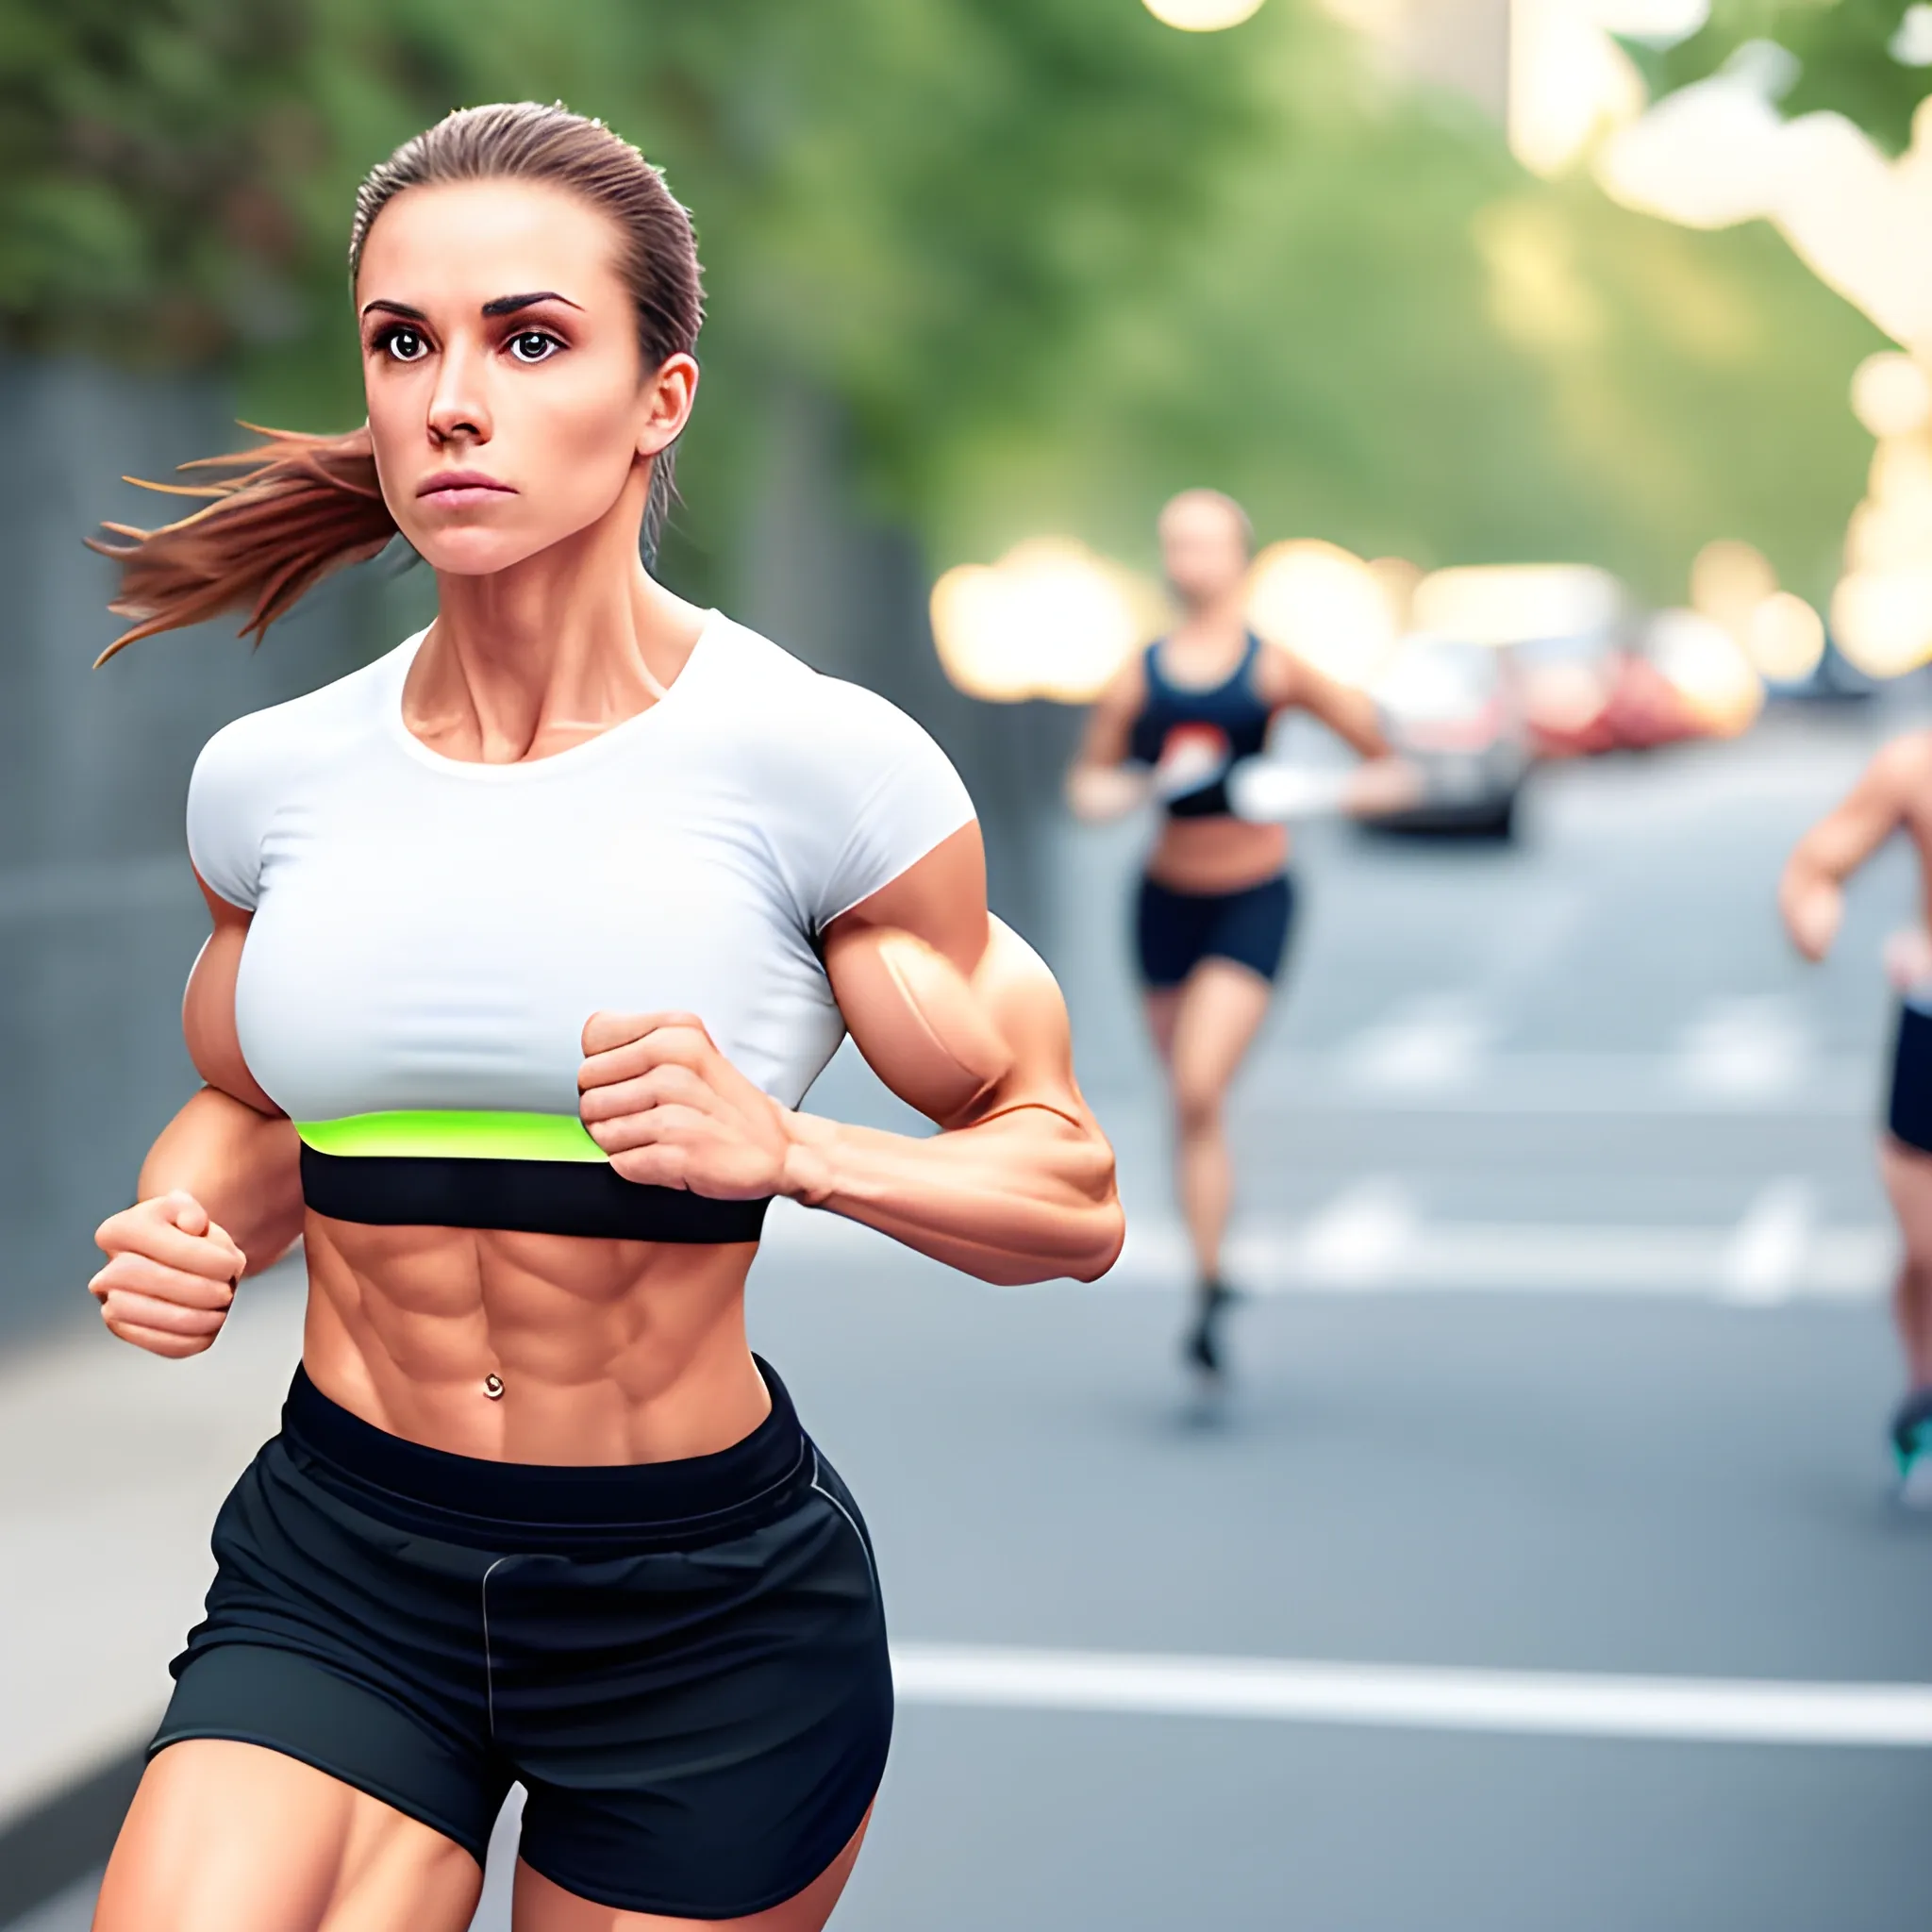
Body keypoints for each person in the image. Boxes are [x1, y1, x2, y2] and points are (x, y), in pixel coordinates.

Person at [83, 102, 1123, 1932]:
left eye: (529, 337)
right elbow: (247, 1112)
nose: (449, 398)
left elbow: (1069, 1197)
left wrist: (790, 1145)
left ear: (662, 397)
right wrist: (188, 1227)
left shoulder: (817, 771)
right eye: (405, 342)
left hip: (700, 1613)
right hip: (345, 1560)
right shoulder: (274, 781)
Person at [1065, 490, 1400, 1377]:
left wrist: (1305, 794)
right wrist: (1149, 785)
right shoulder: (1140, 677)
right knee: (1184, 1102)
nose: (1192, 561)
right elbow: (1088, 790)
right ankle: (1211, 1280)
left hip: (1253, 893)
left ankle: (1213, 1272)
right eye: (1178, 544)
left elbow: (1388, 768)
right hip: (1164, 901)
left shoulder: (1274, 671)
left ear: (1239, 557)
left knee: (1201, 1082)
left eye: (1208, 544)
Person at [1781, 730, 1932, 1496]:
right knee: (1926, 1251)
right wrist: (1812, 912)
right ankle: (1924, 1393)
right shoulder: (1914, 766)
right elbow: (1817, 864)